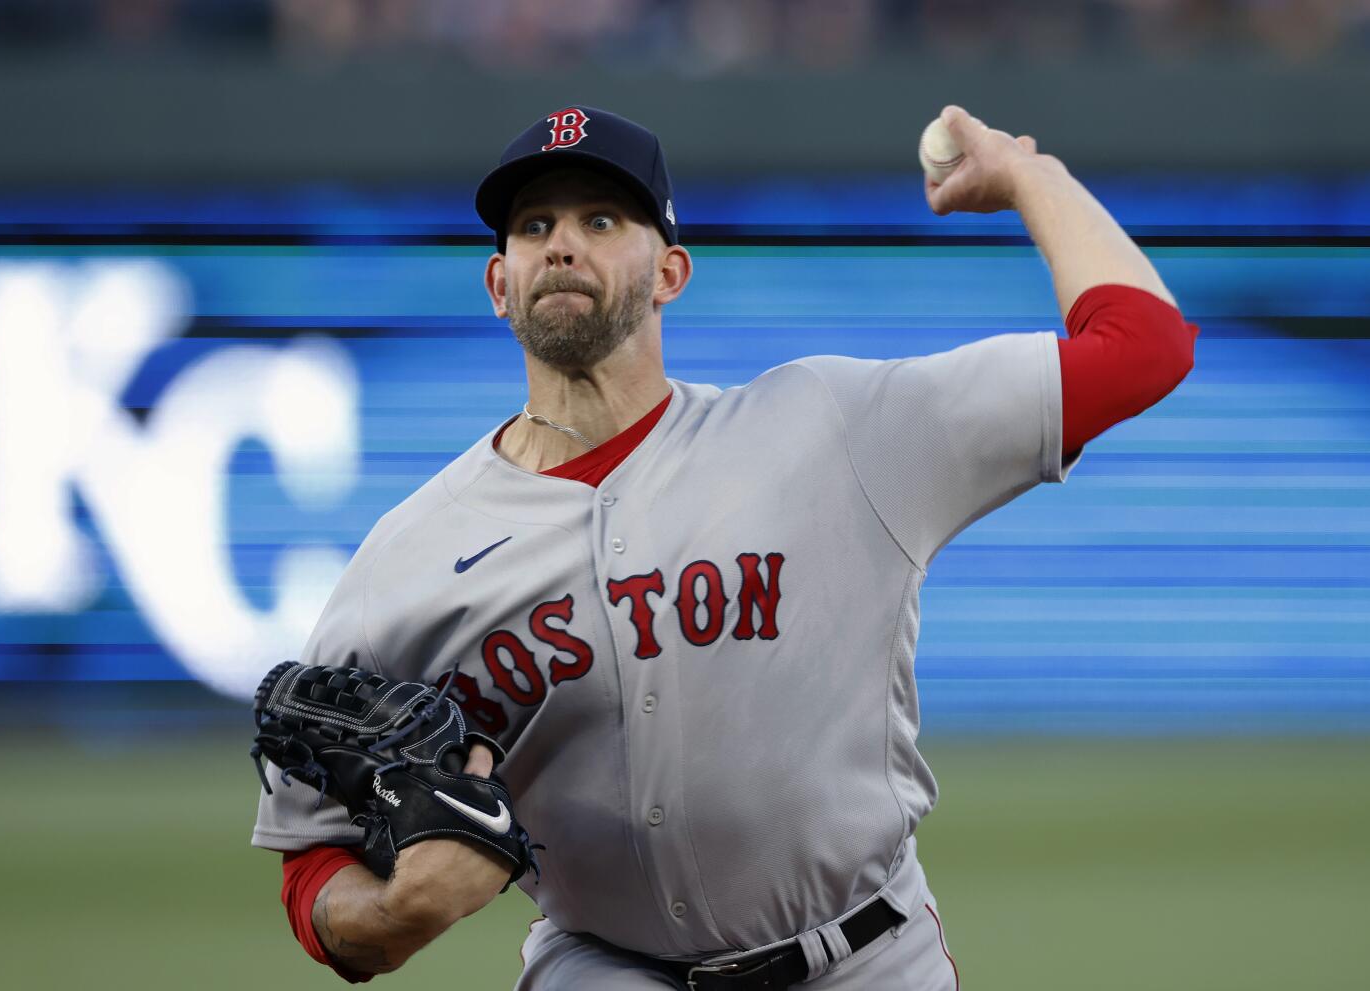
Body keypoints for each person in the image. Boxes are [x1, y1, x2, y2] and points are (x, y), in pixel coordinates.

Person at [251, 104, 1198, 989]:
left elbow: (1144, 347)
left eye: (603, 219)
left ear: (671, 272)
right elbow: (311, 849)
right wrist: (378, 914)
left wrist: (1034, 177)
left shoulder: (833, 428)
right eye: (533, 226)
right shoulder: (408, 557)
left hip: (864, 957)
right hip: (603, 963)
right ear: (500, 284)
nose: (564, 244)